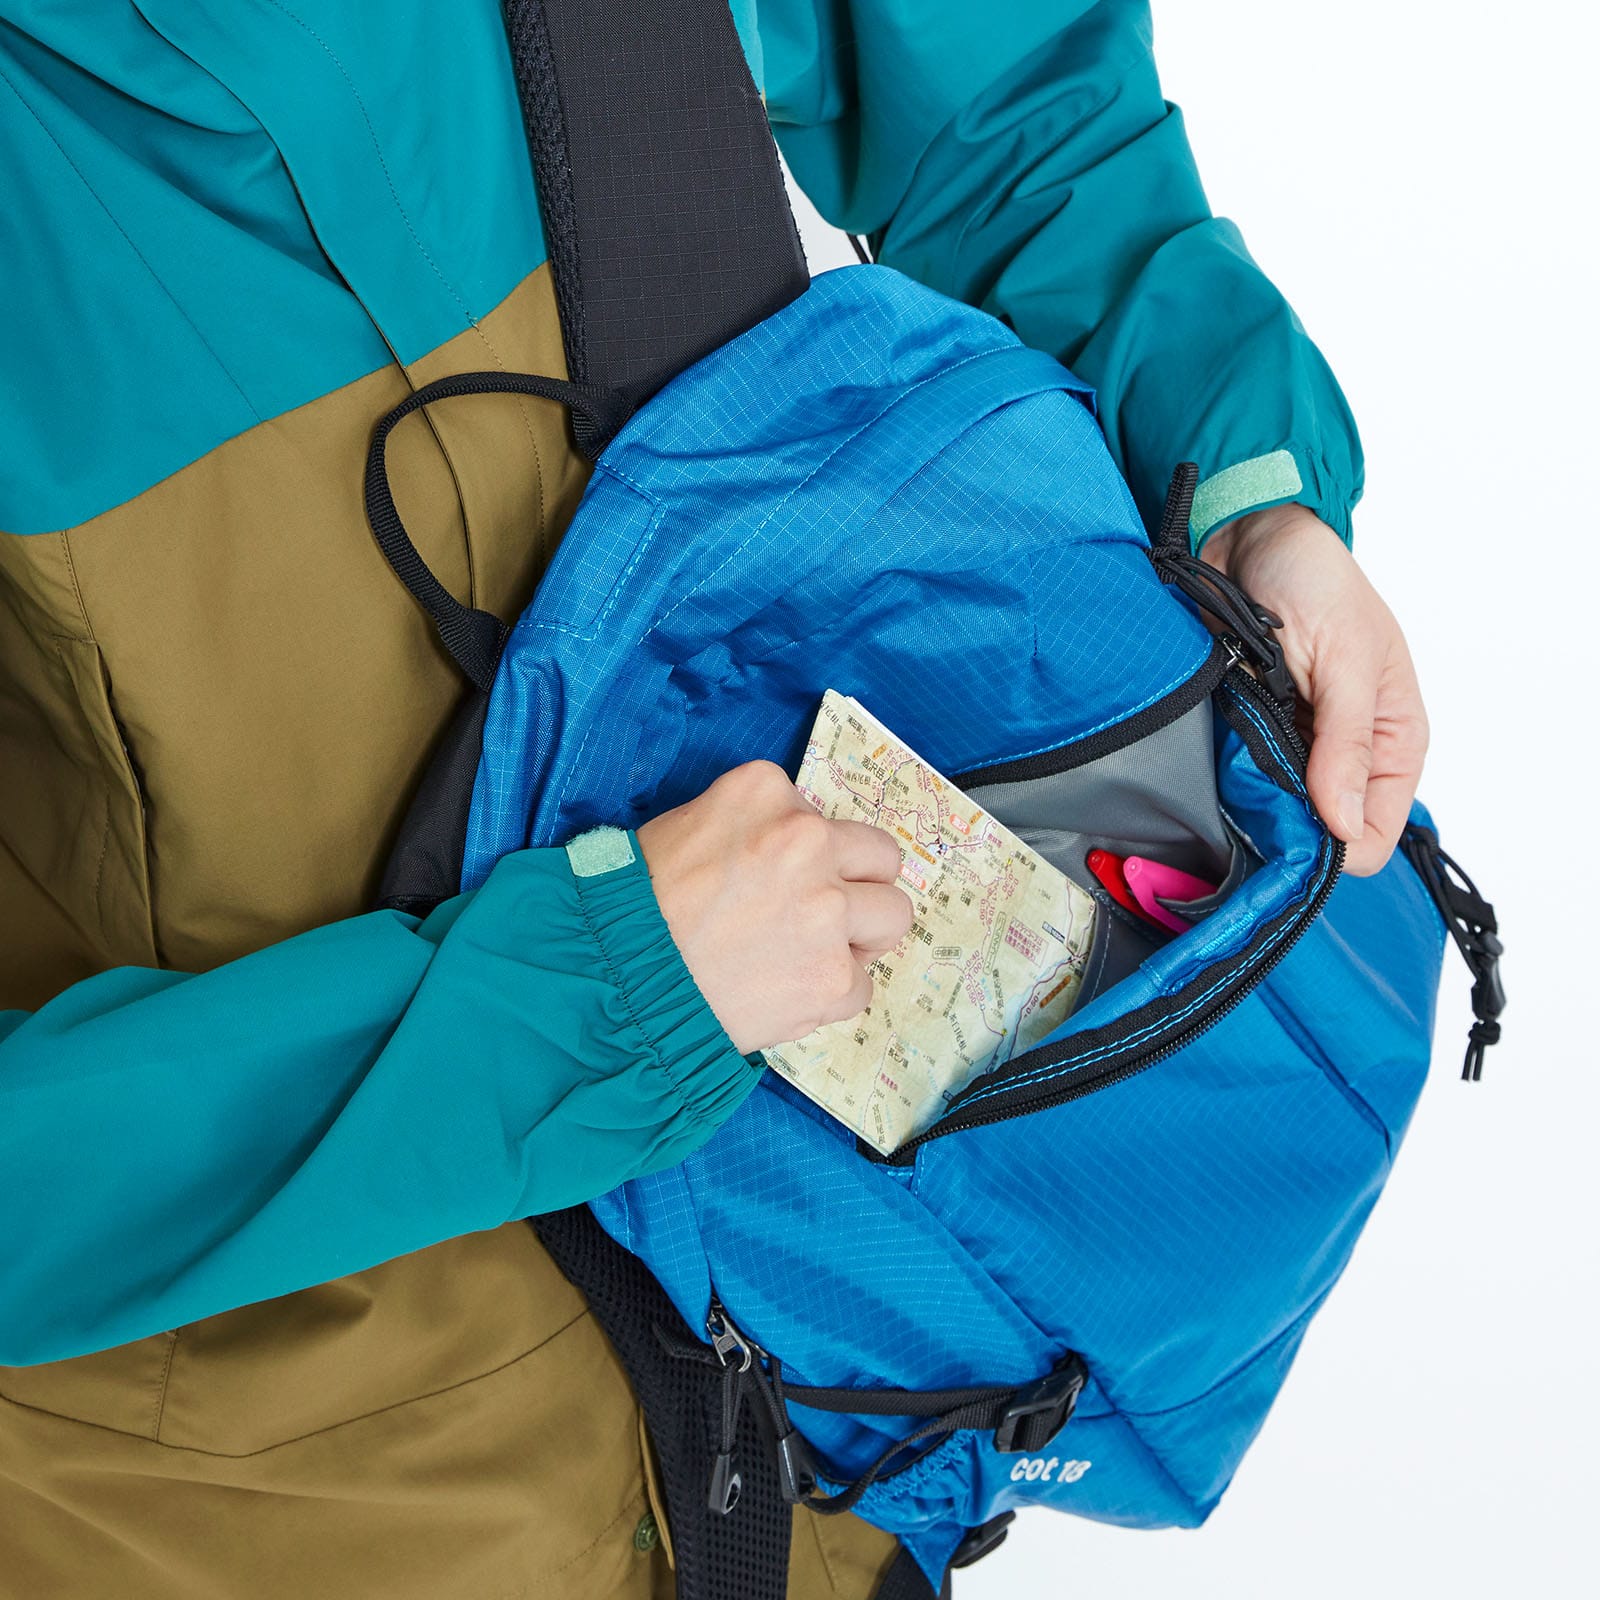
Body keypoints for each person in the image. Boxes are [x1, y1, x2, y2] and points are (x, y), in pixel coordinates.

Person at [0, 2, 1427, 1595]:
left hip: (818, 1466)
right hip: (284, 1527)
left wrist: (1247, 490)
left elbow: (1009, 114)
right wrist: (592, 1003)